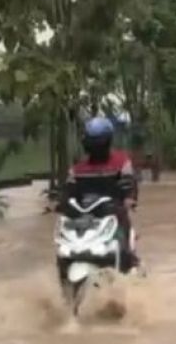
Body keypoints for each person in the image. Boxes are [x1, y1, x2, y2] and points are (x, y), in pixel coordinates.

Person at [60, 116, 140, 271]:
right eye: (92, 141)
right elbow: (68, 192)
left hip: (112, 217)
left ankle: (129, 262)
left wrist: (129, 198)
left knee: (124, 236)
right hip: (84, 219)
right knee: (62, 244)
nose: (96, 146)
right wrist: (58, 203)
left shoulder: (121, 162)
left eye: (99, 141)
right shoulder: (77, 169)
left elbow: (130, 185)